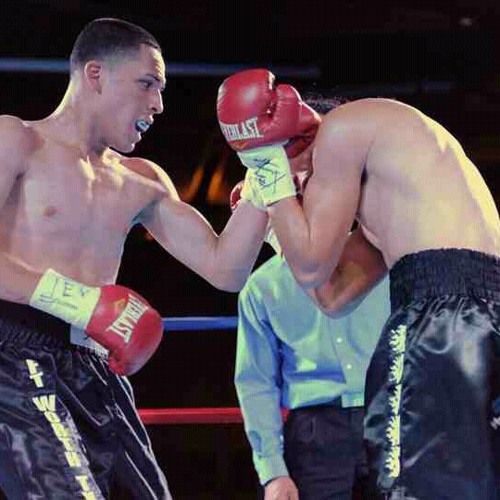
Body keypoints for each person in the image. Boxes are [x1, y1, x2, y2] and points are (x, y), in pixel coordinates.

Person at [0, 19, 320, 498]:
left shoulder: (142, 180)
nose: (158, 104)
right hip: (15, 355)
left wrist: (265, 165)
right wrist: (78, 301)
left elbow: (225, 268)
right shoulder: (16, 139)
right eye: (147, 83)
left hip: (96, 367)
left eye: (162, 90)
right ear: (95, 74)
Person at [217, 68, 500, 499]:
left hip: (441, 319)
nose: (305, 200)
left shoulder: (339, 129)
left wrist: (269, 172)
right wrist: (278, 231)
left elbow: (311, 266)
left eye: (302, 185)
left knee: (410, 484)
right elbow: (331, 295)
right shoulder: (399, 197)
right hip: (480, 313)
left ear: (298, 141)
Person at [233, 174, 390, 499]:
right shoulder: (260, 288)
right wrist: (273, 472)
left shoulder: (378, 258)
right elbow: (256, 383)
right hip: (315, 434)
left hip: (390, 415)